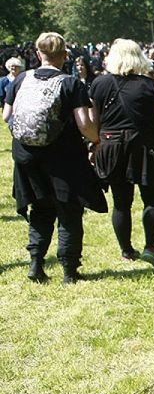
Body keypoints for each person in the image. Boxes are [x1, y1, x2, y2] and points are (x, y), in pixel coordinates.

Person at [3, 32, 106, 284]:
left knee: (40, 210)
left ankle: (36, 264)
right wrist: (97, 140)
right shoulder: (71, 83)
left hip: (27, 157)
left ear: (39, 54)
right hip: (63, 159)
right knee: (69, 212)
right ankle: (69, 272)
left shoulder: (21, 80)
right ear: (64, 55)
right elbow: (84, 124)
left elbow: (7, 115)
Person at [89, 39, 154, 268]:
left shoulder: (99, 84)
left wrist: (95, 144)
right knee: (152, 198)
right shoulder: (149, 84)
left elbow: (94, 122)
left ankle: (126, 250)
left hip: (112, 146)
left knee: (121, 202)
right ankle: (151, 247)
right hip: (145, 146)